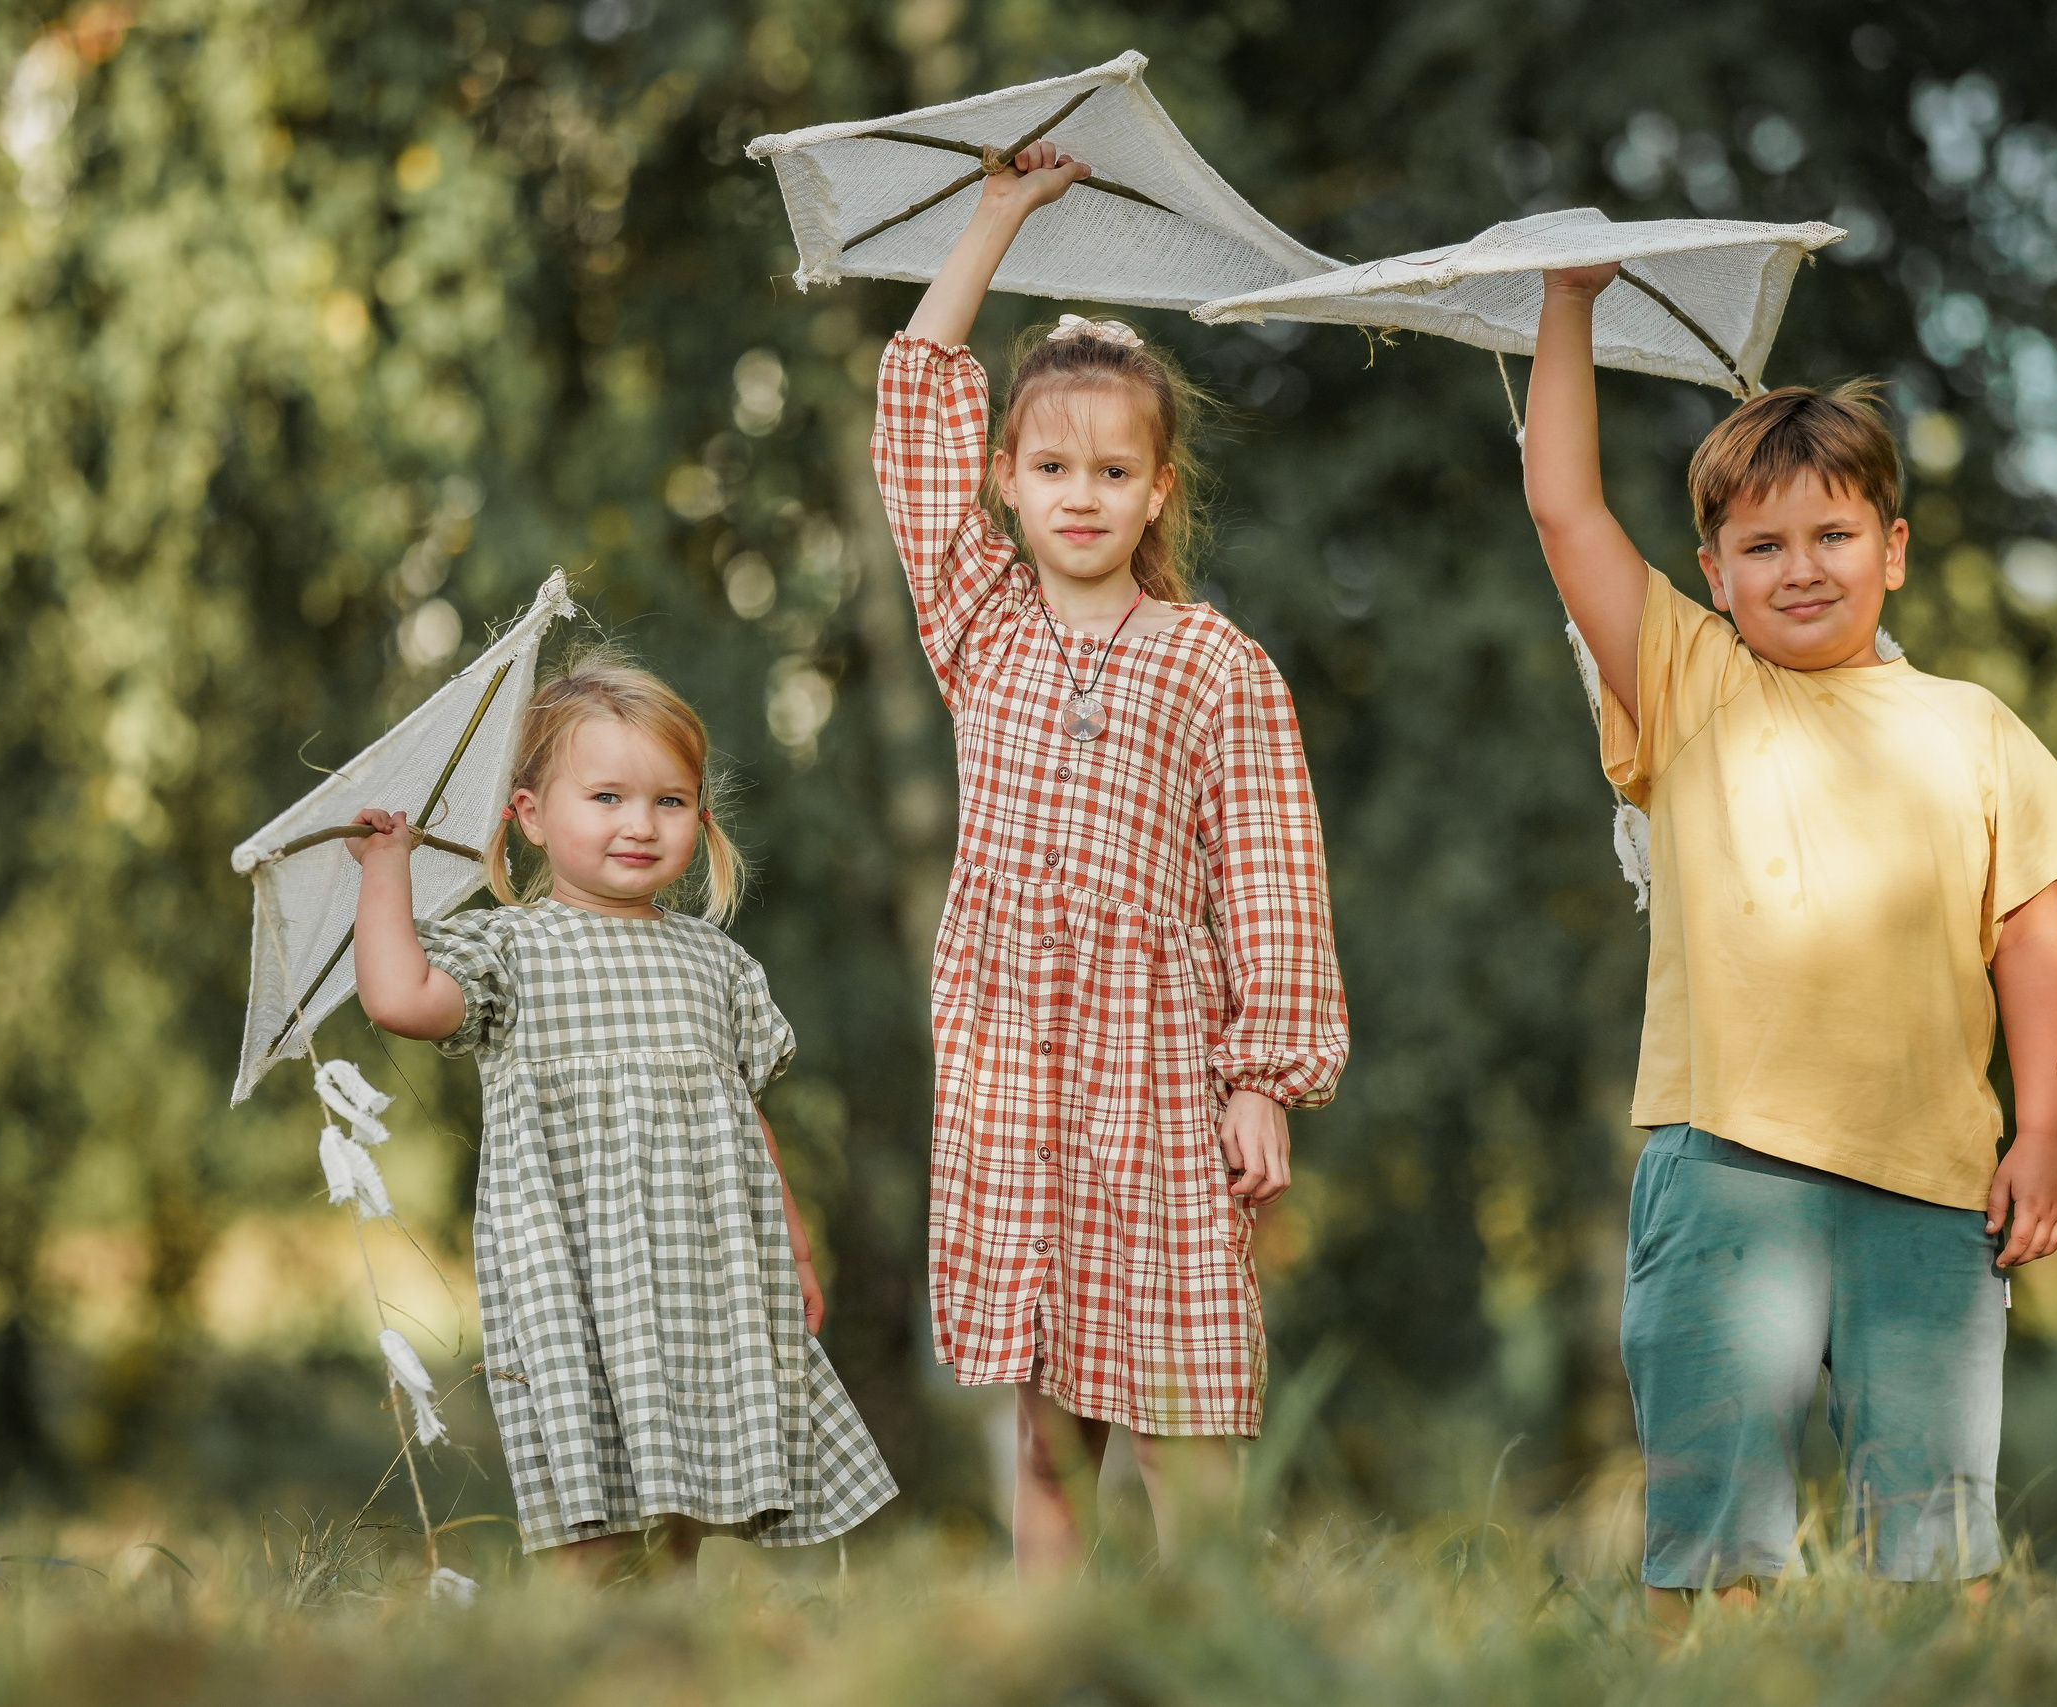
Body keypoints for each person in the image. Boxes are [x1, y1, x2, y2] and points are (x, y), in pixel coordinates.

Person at [1523, 266, 2057, 1612]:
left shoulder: (1970, 726)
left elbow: (2033, 940)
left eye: (1832, 535)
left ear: (1892, 549)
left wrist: (2043, 1130)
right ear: (1714, 574)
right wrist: (1569, 302)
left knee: (1938, 1535)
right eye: (1763, 545)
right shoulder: (1689, 685)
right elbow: (1563, 506)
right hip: (1726, 1164)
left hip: (1930, 1180)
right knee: (1715, 1528)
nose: (1801, 567)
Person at [870, 141, 1348, 1572]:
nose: (1082, 491)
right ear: (1005, 478)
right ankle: (1052, 1637)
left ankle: (1205, 1629)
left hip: (1158, 1055)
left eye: (1114, 468)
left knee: (1186, 1387)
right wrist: (997, 218)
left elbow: (1272, 874)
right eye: (1052, 464)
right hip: (1014, 1053)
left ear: (1157, 491)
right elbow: (911, 401)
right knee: (1043, 1403)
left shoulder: (1213, 662)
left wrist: (1264, 1079)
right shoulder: (980, 623)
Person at [343, 654, 896, 1577]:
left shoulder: (714, 962)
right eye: (606, 796)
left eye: (670, 801)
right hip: (569, 1262)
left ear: (701, 816)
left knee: (687, 1478)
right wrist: (386, 871)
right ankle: (591, 1634)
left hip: (702, 1266)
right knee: (584, 1484)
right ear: (528, 815)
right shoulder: (511, 948)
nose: (640, 824)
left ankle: (668, 1640)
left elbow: (745, 1111)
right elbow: (400, 997)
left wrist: (794, 1247)